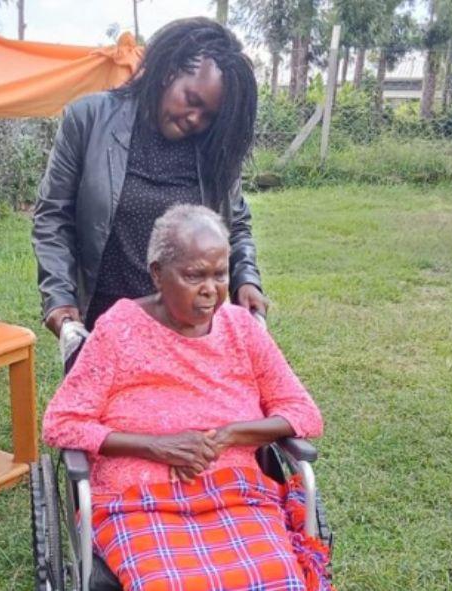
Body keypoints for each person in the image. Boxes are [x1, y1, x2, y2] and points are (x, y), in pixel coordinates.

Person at [42, 205, 332, 591]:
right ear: (158, 274)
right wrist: (157, 447)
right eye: (194, 275)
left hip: (237, 496)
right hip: (138, 501)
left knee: (279, 581)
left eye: (220, 274)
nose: (211, 289)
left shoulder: (242, 329)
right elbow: (62, 423)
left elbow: (304, 414)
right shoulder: (119, 329)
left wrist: (228, 434)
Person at [32, 17, 269, 349]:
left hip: (187, 327)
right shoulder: (89, 120)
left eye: (209, 115)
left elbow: (235, 224)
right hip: (104, 322)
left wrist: (246, 279)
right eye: (192, 100)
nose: (195, 119)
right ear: (169, 72)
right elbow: (53, 217)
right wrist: (58, 298)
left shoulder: (214, 148)